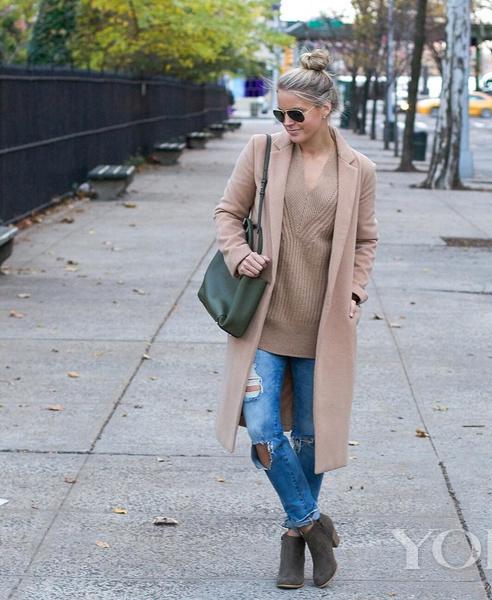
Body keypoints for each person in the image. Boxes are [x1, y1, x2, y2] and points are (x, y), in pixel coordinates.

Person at [212, 48, 378, 589]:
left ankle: (292, 541)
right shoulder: (262, 152)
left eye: (296, 114)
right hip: (264, 322)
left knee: (309, 437)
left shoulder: (359, 170)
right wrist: (239, 254)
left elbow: (366, 241)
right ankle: (311, 523)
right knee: (263, 430)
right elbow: (227, 213)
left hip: (322, 327)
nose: (286, 122)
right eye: (280, 113)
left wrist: (354, 293)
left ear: (326, 109)